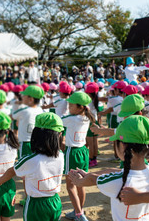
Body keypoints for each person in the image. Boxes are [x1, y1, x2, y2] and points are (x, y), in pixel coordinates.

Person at [68, 115, 149, 221]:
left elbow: (94, 180)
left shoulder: (119, 182)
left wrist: (80, 181)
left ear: (122, 146)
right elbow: (117, 172)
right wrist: (89, 175)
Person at [0, 112, 65, 221]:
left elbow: (12, 170)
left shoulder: (30, 160)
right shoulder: (61, 155)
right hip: (55, 201)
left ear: (35, 135)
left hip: (35, 204)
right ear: (59, 136)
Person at [62, 92, 94, 221]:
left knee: (70, 186)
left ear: (80, 107)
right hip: (83, 151)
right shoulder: (86, 117)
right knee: (81, 184)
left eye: (71, 105)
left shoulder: (72, 118)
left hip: (72, 152)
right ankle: (78, 210)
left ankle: (79, 215)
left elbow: (58, 121)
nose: (69, 106)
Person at [12, 85, 44, 159]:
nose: (22, 97)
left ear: (31, 99)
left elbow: (13, 116)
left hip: (25, 143)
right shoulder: (40, 110)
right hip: (37, 142)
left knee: (23, 165)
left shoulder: (24, 111)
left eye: (24, 95)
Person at [84, 82, 99, 167]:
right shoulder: (95, 99)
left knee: (90, 142)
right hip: (95, 121)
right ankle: (94, 159)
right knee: (94, 141)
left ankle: (91, 159)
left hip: (90, 122)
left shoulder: (88, 101)